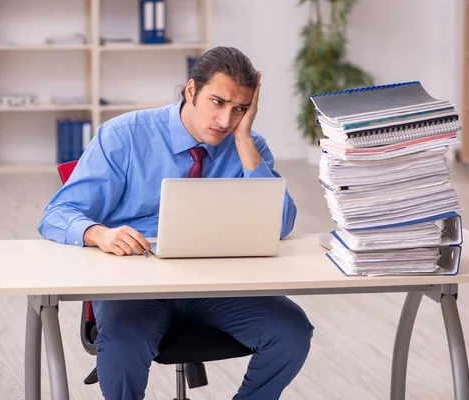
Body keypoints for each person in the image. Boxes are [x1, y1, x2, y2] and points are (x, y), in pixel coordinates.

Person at [37, 46, 314, 399]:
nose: (226, 121)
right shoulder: (125, 135)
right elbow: (57, 214)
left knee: (291, 331)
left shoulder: (248, 147)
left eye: (240, 109)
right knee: (122, 343)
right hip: (136, 285)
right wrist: (100, 234)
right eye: (218, 102)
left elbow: (281, 225)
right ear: (191, 91)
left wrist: (244, 140)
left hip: (217, 285)